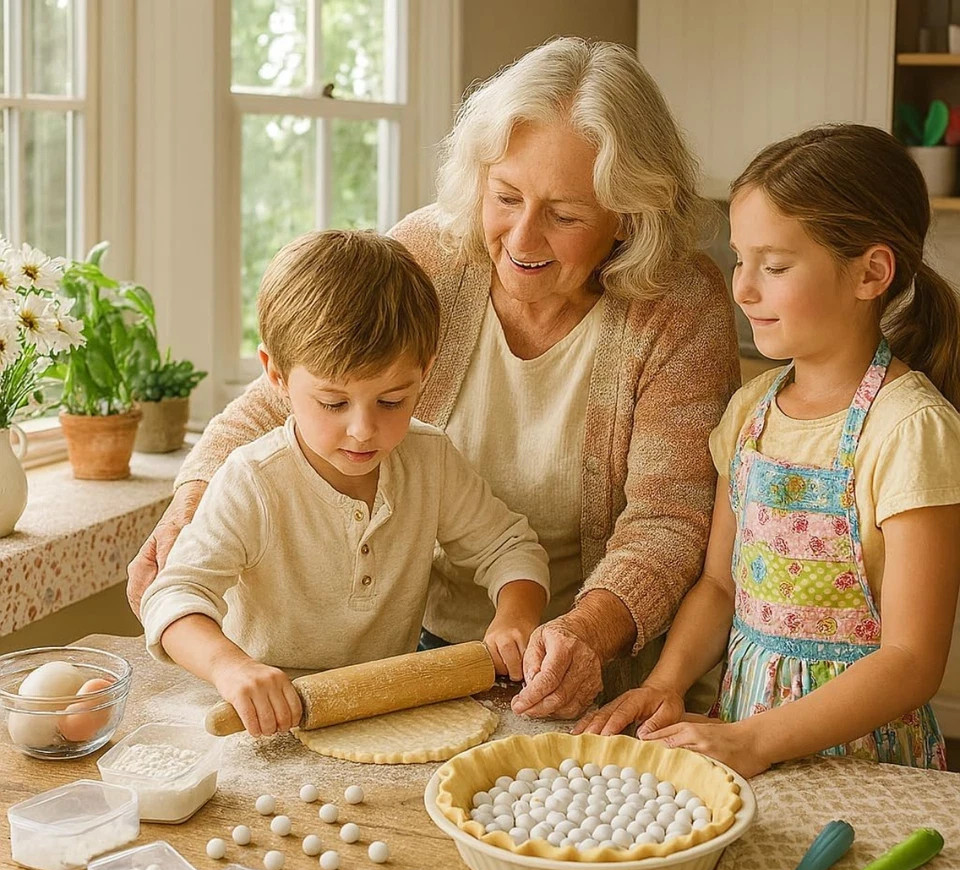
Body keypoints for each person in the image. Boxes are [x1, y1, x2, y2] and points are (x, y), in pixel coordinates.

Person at [128, 37, 740, 720]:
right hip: (427, 650)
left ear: (627, 217)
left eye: (565, 215)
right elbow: (287, 391)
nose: (522, 239)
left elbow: (668, 523)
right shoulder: (431, 254)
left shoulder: (678, 305)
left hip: (600, 667)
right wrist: (194, 499)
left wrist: (580, 632)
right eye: (505, 196)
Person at [576, 124, 960, 775]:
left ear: (871, 272)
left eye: (774, 266)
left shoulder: (910, 430)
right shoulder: (750, 413)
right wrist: (666, 682)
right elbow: (719, 585)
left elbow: (911, 663)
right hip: (742, 738)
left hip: (862, 765)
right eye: (740, 259)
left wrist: (757, 741)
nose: (743, 288)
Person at [139, 231, 550, 737]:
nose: (363, 429)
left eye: (392, 401)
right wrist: (230, 666)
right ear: (277, 375)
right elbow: (173, 597)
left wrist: (515, 615)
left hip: (382, 716)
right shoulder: (253, 482)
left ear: (426, 371)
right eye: (333, 403)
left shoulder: (430, 461)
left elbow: (510, 547)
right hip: (266, 724)